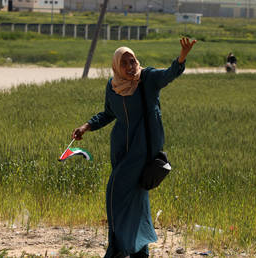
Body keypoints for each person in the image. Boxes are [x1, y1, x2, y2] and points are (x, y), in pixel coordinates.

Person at [71, 37, 196, 257]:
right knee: (135, 200)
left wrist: (182, 56)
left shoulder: (146, 79)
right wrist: (86, 126)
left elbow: (169, 74)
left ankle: (117, 249)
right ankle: (138, 251)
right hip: (120, 150)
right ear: (116, 66)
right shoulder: (113, 87)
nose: (130, 67)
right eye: (125, 63)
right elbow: (108, 113)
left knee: (114, 194)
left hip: (142, 150)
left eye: (133, 61)